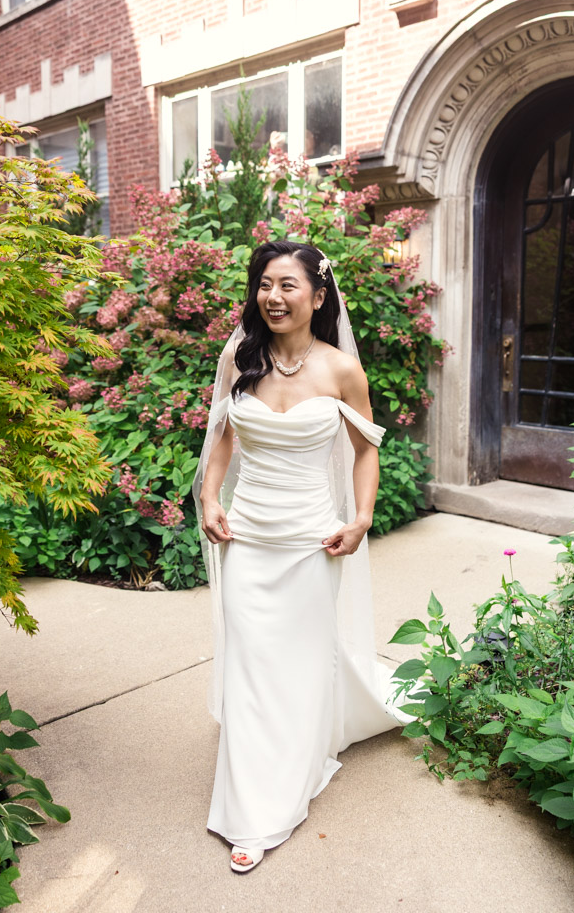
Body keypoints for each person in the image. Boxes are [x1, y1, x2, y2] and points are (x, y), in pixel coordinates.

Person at [193, 239, 404, 874]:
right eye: (264, 284)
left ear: (318, 296)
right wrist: (208, 497)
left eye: (288, 285)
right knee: (251, 665)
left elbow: (365, 450)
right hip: (248, 538)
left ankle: (301, 758)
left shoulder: (341, 370)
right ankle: (254, 812)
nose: (273, 297)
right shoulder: (241, 356)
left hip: (312, 540)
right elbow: (222, 437)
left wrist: (361, 518)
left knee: (301, 663)